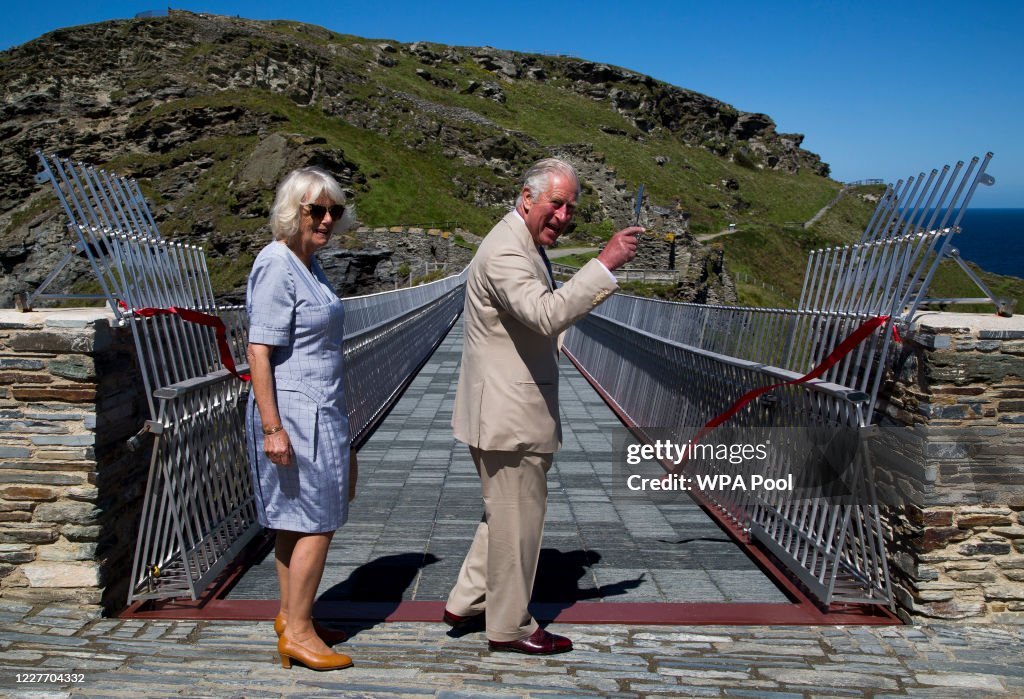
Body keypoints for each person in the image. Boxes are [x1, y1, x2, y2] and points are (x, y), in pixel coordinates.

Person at [445, 157, 641, 654]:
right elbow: (546, 313)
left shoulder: (518, 240)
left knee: (505, 512)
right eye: (557, 204)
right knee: (519, 519)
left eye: (571, 208)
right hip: (510, 414)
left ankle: (467, 599)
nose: (563, 217)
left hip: (507, 407)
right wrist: (605, 264)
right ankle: (509, 626)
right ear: (527, 197)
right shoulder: (506, 251)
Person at [245, 166, 358, 672]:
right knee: (318, 522)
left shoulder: (308, 264)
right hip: (296, 413)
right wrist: (272, 428)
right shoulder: (277, 263)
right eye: (317, 209)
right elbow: (258, 351)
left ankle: (294, 618)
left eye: (334, 210)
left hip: (320, 409)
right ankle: (300, 632)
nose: (328, 219)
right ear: (293, 212)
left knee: (294, 523)